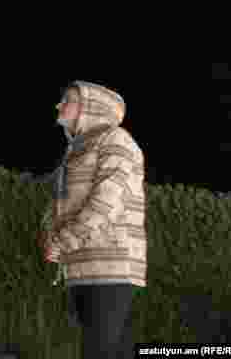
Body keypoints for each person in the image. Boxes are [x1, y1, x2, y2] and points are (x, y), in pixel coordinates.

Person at [41, 81, 146, 359]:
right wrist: (52, 236)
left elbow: (105, 204)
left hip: (110, 266)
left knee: (99, 351)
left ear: (92, 107)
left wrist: (62, 242)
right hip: (83, 266)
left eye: (68, 100)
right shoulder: (78, 149)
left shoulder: (116, 140)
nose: (59, 105)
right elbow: (64, 205)